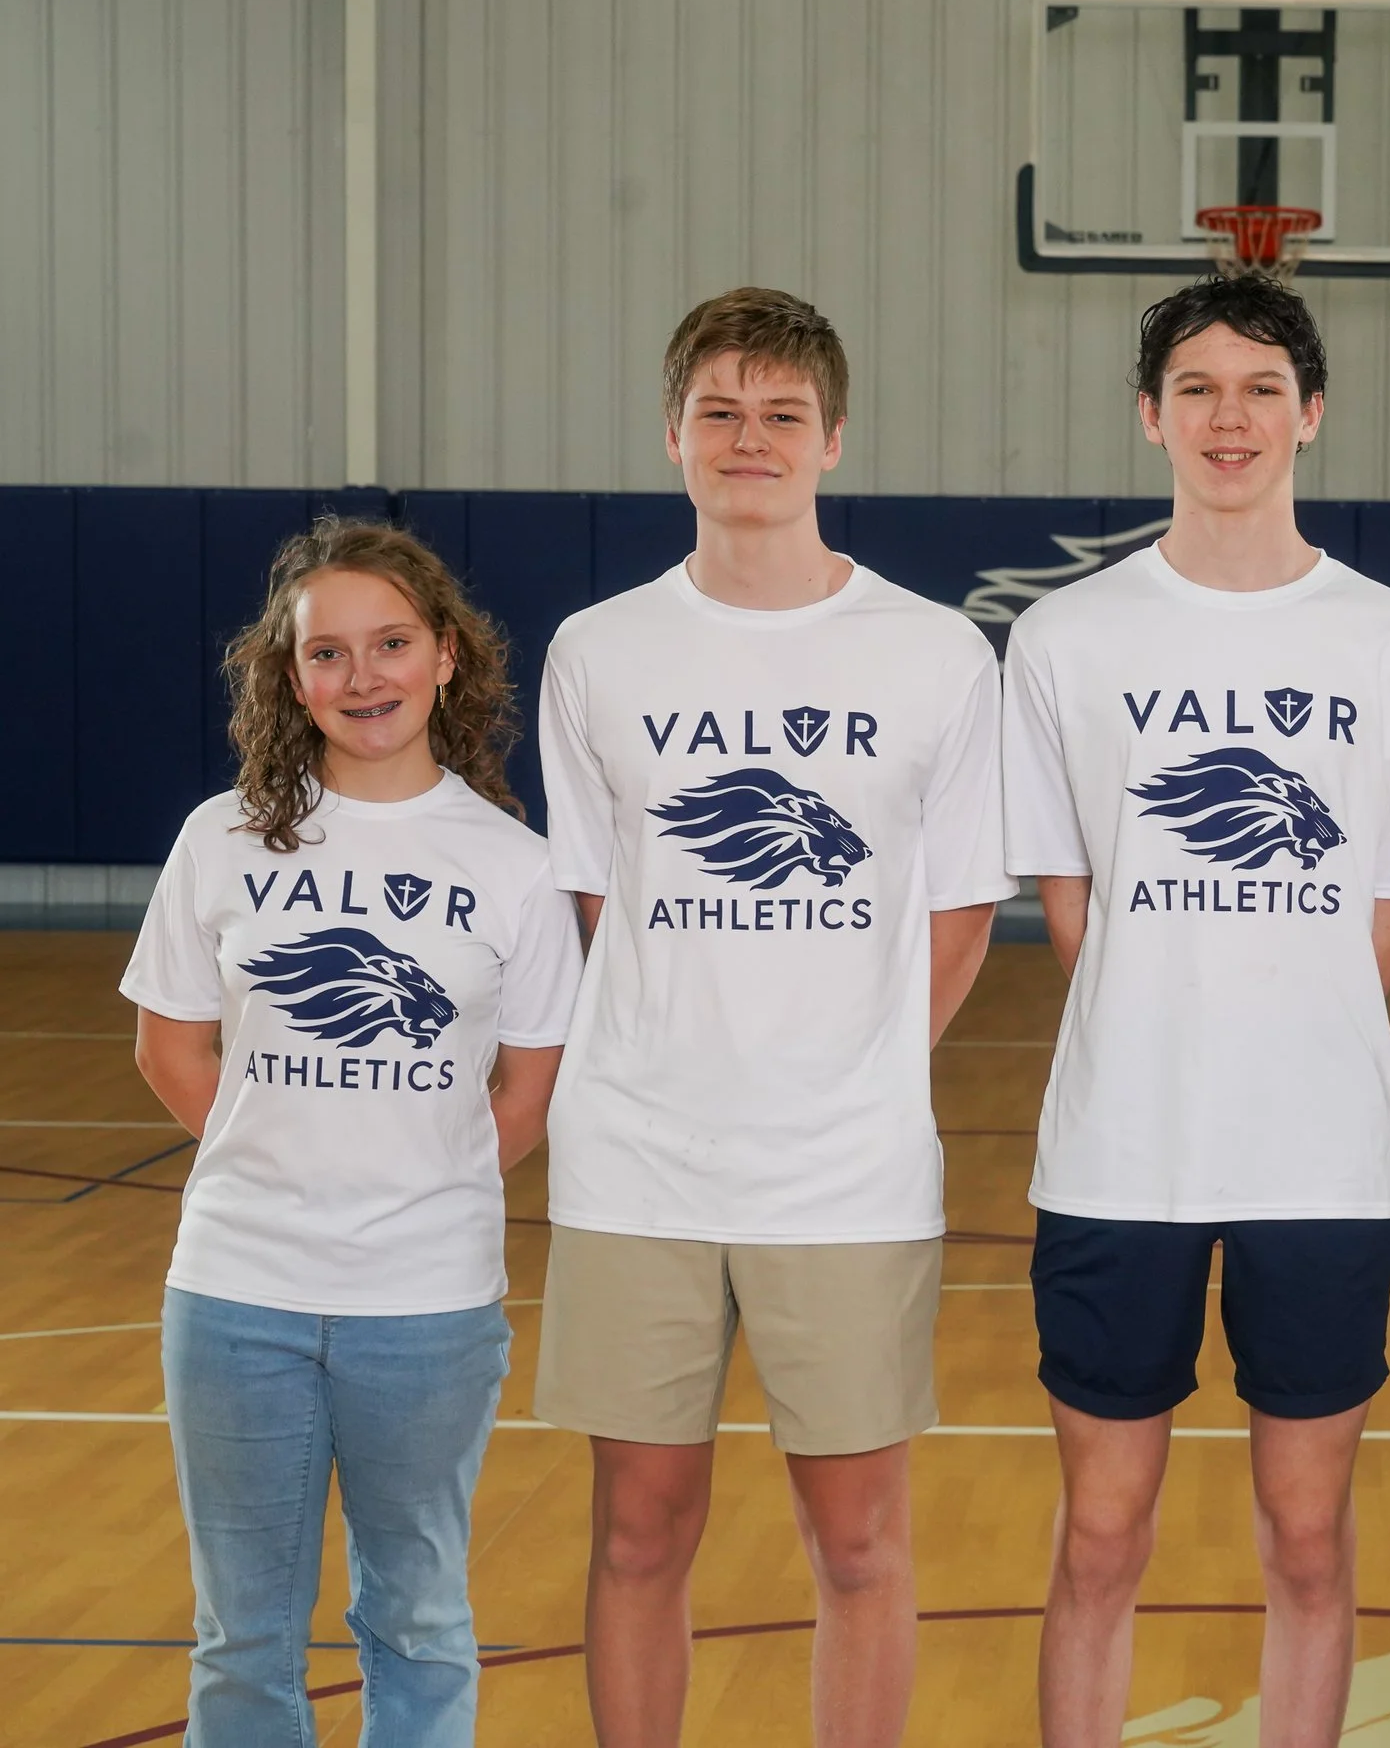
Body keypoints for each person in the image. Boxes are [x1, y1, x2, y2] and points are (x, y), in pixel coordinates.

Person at [1001, 276, 1390, 1746]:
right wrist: (1174, 1014)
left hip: (1321, 1159)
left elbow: (1387, 919)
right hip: (1118, 1150)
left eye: (1262, 385)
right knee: (1100, 1532)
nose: (1230, 414)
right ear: (1151, 416)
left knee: (1311, 1534)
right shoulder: (1067, 638)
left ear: (1311, 414)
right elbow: (1070, 907)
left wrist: (1274, 1018)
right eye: (1197, 387)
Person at [533, 287, 1010, 1748]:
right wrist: (694, 1047)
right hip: (638, 1163)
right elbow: (602, 901)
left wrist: (842, 1067)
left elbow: (959, 916)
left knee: (858, 1542)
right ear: (673, 433)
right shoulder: (598, 649)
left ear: (834, 437)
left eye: (783, 413)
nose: (752, 439)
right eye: (722, 412)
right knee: (637, 1531)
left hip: (847, 1173)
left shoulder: (934, 653)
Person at [123, 518, 582, 1745]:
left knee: (421, 1617)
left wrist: (407, 1180)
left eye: (390, 643)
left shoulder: (515, 866)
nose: (362, 675)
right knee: (243, 1637)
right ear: (289, 674)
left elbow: (527, 1091)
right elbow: (172, 1046)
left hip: (426, 1303)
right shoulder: (220, 837)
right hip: (234, 1289)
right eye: (329, 652)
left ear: (445, 656)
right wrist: (280, 1154)